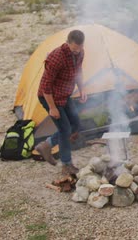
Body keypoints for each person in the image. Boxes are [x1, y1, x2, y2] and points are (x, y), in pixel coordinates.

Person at [34, 29, 87, 175]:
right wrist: (52, 107)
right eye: (75, 49)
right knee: (64, 129)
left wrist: (82, 89)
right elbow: (46, 86)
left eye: (80, 48)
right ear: (68, 43)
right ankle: (66, 165)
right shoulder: (56, 57)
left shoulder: (80, 53)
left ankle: (46, 145)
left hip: (64, 95)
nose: (77, 52)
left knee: (75, 124)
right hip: (49, 97)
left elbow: (78, 72)